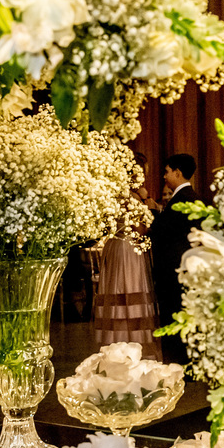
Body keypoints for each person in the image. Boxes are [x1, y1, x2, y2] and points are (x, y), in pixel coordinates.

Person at [91, 153, 160, 356]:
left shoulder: (115, 195)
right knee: (130, 291)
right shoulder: (133, 198)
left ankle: (116, 345)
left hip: (115, 247)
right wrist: (148, 202)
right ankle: (135, 344)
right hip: (129, 251)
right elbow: (140, 229)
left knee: (118, 295)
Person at [146, 153, 201, 364]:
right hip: (185, 269)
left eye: (167, 171)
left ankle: (179, 365)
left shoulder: (182, 199)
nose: (164, 176)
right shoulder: (192, 197)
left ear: (177, 173)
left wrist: (151, 212)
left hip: (174, 272)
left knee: (175, 318)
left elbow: (161, 231)